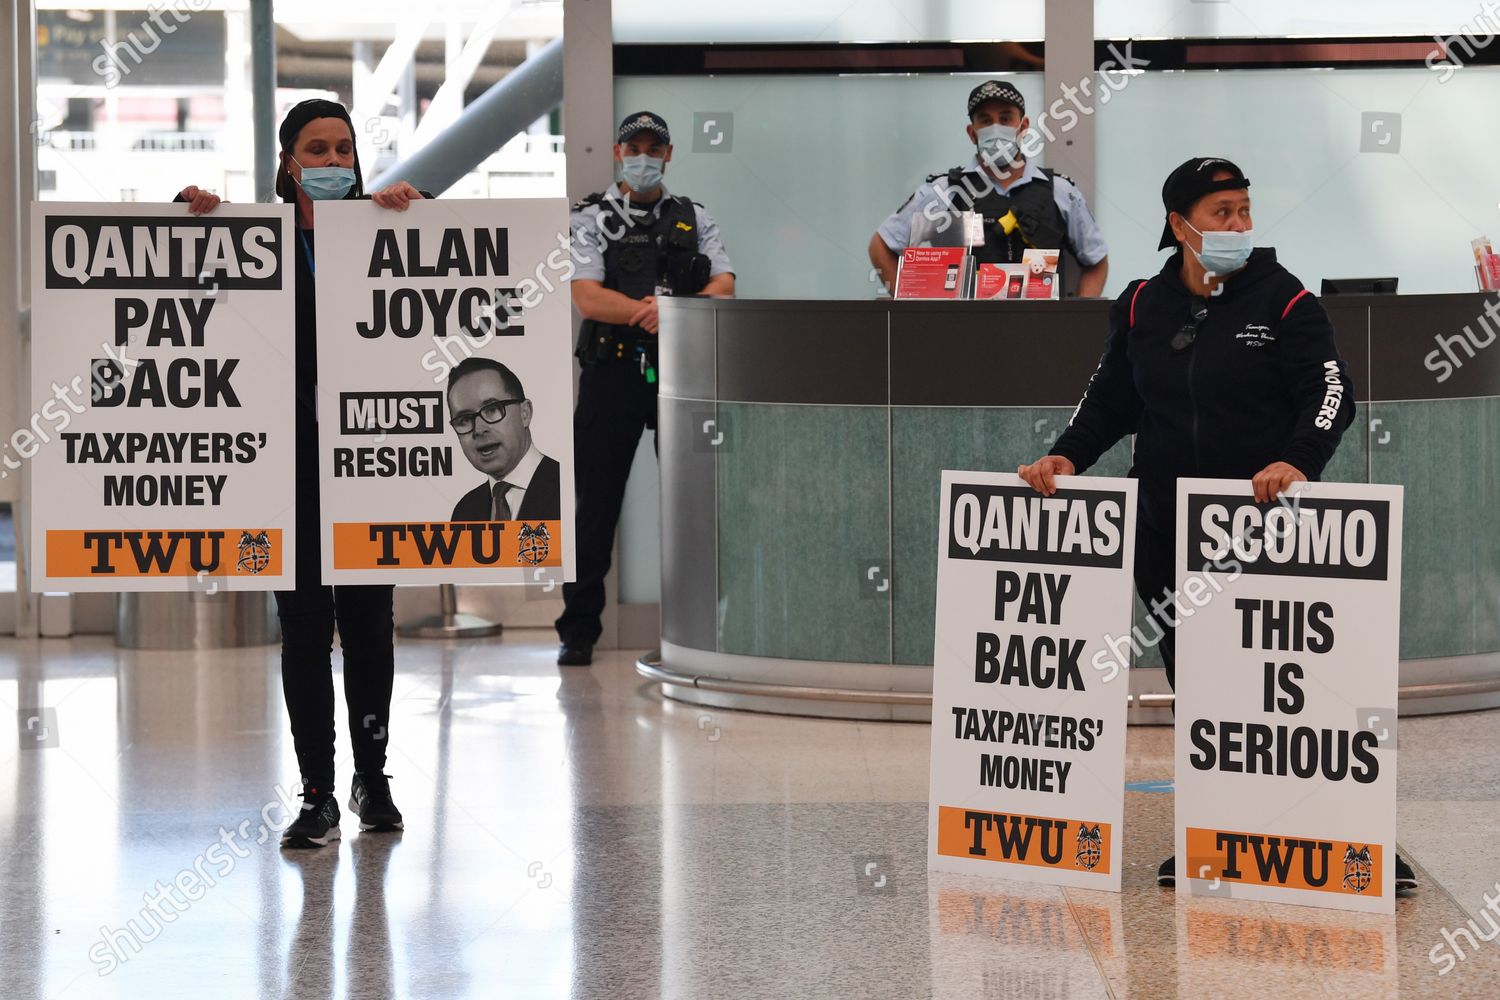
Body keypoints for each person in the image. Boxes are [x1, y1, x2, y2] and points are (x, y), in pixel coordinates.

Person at [1017, 156, 1415, 892]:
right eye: (1222, 212)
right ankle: (1222, 832)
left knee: (1287, 692)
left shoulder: (1285, 300)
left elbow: (1330, 394)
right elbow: (1111, 398)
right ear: (1181, 224)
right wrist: (1067, 455)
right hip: (1168, 528)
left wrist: (1296, 462)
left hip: (1262, 532)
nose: (1239, 225)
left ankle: (1345, 838)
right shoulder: (1140, 304)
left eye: (1244, 210)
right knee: (1202, 688)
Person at [179, 98, 425, 848]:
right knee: (306, 629)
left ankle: (372, 779)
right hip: (284, 464)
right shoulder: (256, 237)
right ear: (288, 162)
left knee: (370, 628)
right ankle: (317, 791)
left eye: (343, 149)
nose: (331, 162)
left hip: (370, 463)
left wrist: (417, 215)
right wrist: (198, 226)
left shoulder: (386, 230)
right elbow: (193, 303)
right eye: (315, 150)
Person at [555, 111, 736, 666]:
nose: (643, 156)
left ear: (669, 155)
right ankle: (578, 631)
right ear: (617, 152)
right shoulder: (590, 218)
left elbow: (724, 287)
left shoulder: (694, 217)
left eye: (653, 148)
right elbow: (587, 297)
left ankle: (699, 628)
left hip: (682, 376)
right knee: (594, 506)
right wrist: (649, 312)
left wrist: (671, 310)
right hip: (611, 376)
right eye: (633, 147)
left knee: (693, 503)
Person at [870, 80, 1109, 297]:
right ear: (972, 133)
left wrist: (1076, 319)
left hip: (1041, 333)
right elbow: (881, 247)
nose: (996, 128)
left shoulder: (1060, 191)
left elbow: (1096, 261)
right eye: (985, 120)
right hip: (962, 333)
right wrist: (911, 309)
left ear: (1023, 126)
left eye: (1006, 119)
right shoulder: (944, 191)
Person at [448, 357, 561, 521]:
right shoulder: (465, 511)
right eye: (464, 419)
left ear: (525, 413)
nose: (479, 429)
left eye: (492, 409)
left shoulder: (567, 485)